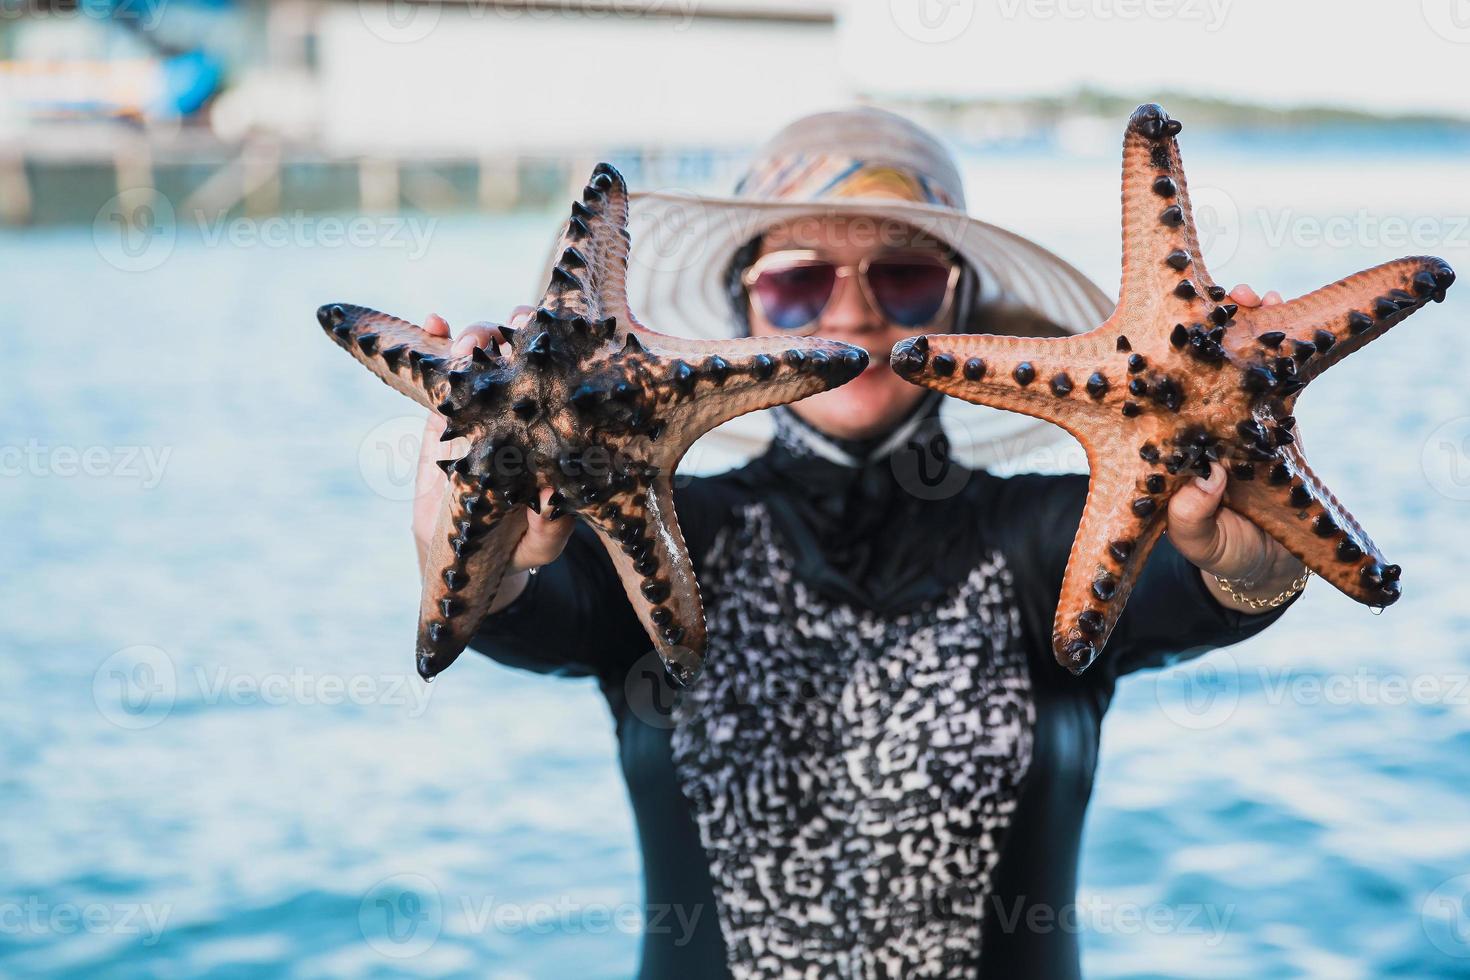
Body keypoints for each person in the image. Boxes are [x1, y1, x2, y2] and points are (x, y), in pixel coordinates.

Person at [410, 108, 1305, 979]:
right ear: (741, 308)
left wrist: (1257, 558)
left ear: (962, 303)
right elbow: (528, 610)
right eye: (800, 280)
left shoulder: (1063, 538)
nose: (854, 312)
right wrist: (476, 556)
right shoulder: (654, 537)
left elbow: (1205, 587)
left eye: (903, 277)